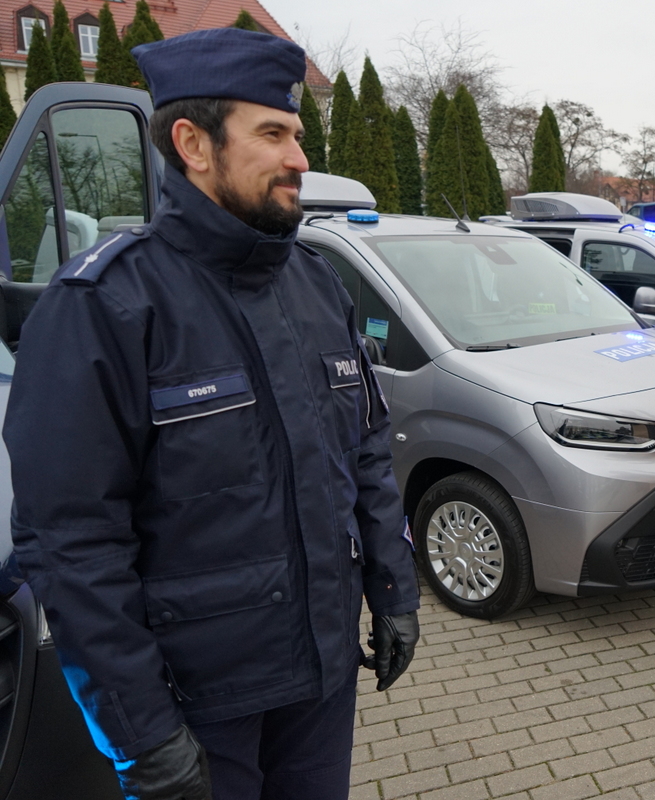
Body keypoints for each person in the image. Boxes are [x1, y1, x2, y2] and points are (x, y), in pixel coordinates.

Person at [2, 29, 420, 800]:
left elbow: (364, 451)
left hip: (322, 680)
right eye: (274, 134)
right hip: (198, 709)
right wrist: (142, 733)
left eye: (297, 134)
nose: (300, 158)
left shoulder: (316, 285)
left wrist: (395, 592)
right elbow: (70, 543)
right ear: (193, 145)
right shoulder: (102, 307)